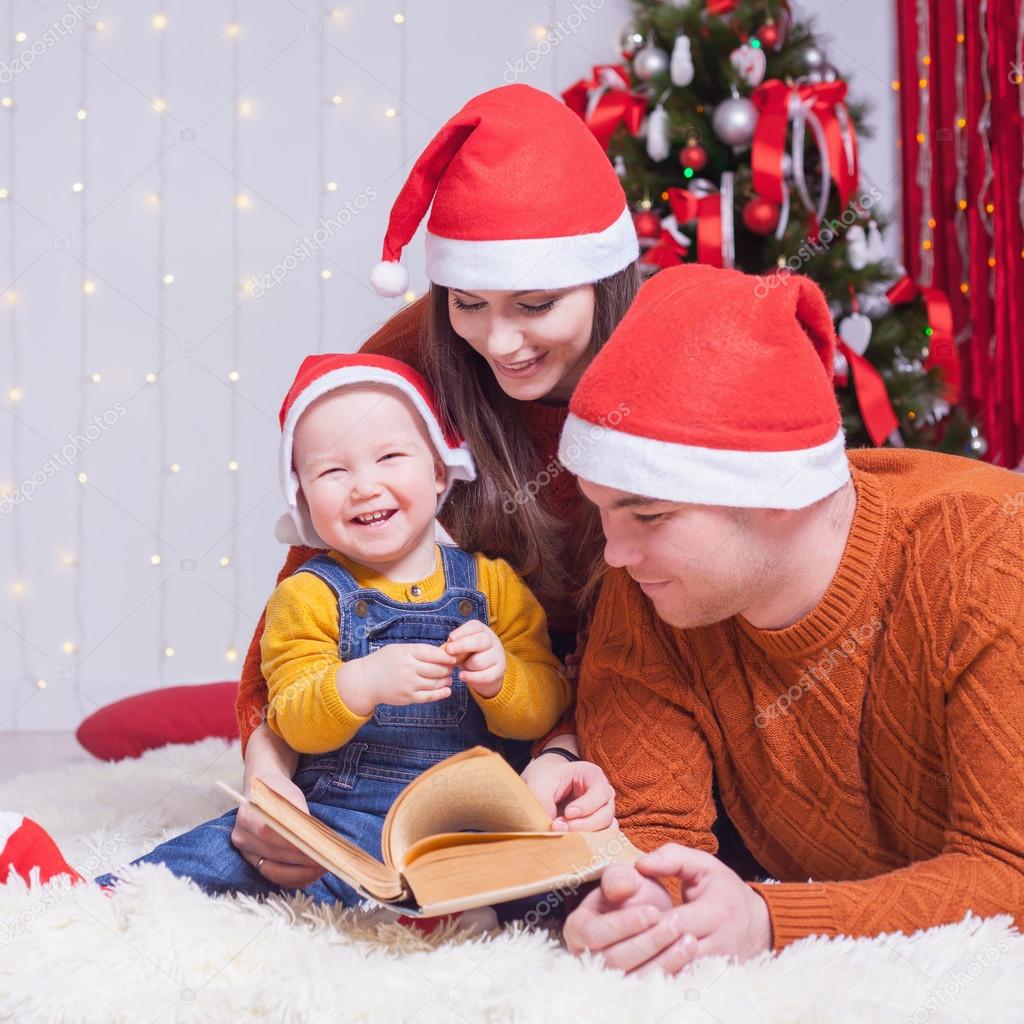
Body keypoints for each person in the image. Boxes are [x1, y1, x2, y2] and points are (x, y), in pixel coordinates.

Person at [545, 263, 1024, 972]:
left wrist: (768, 919)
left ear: (778, 493)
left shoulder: (989, 555)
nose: (613, 552)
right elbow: (653, 838)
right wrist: (642, 913)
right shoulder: (651, 586)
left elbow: (1010, 872)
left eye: (647, 513)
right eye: (603, 508)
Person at [229, 82, 645, 887]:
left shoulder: (654, 372)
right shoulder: (409, 360)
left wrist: (564, 747)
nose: (500, 340)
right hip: (425, 723)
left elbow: (670, 630)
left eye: (535, 303)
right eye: (469, 303)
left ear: (605, 279)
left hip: (588, 703)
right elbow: (313, 581)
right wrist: (266, 766)